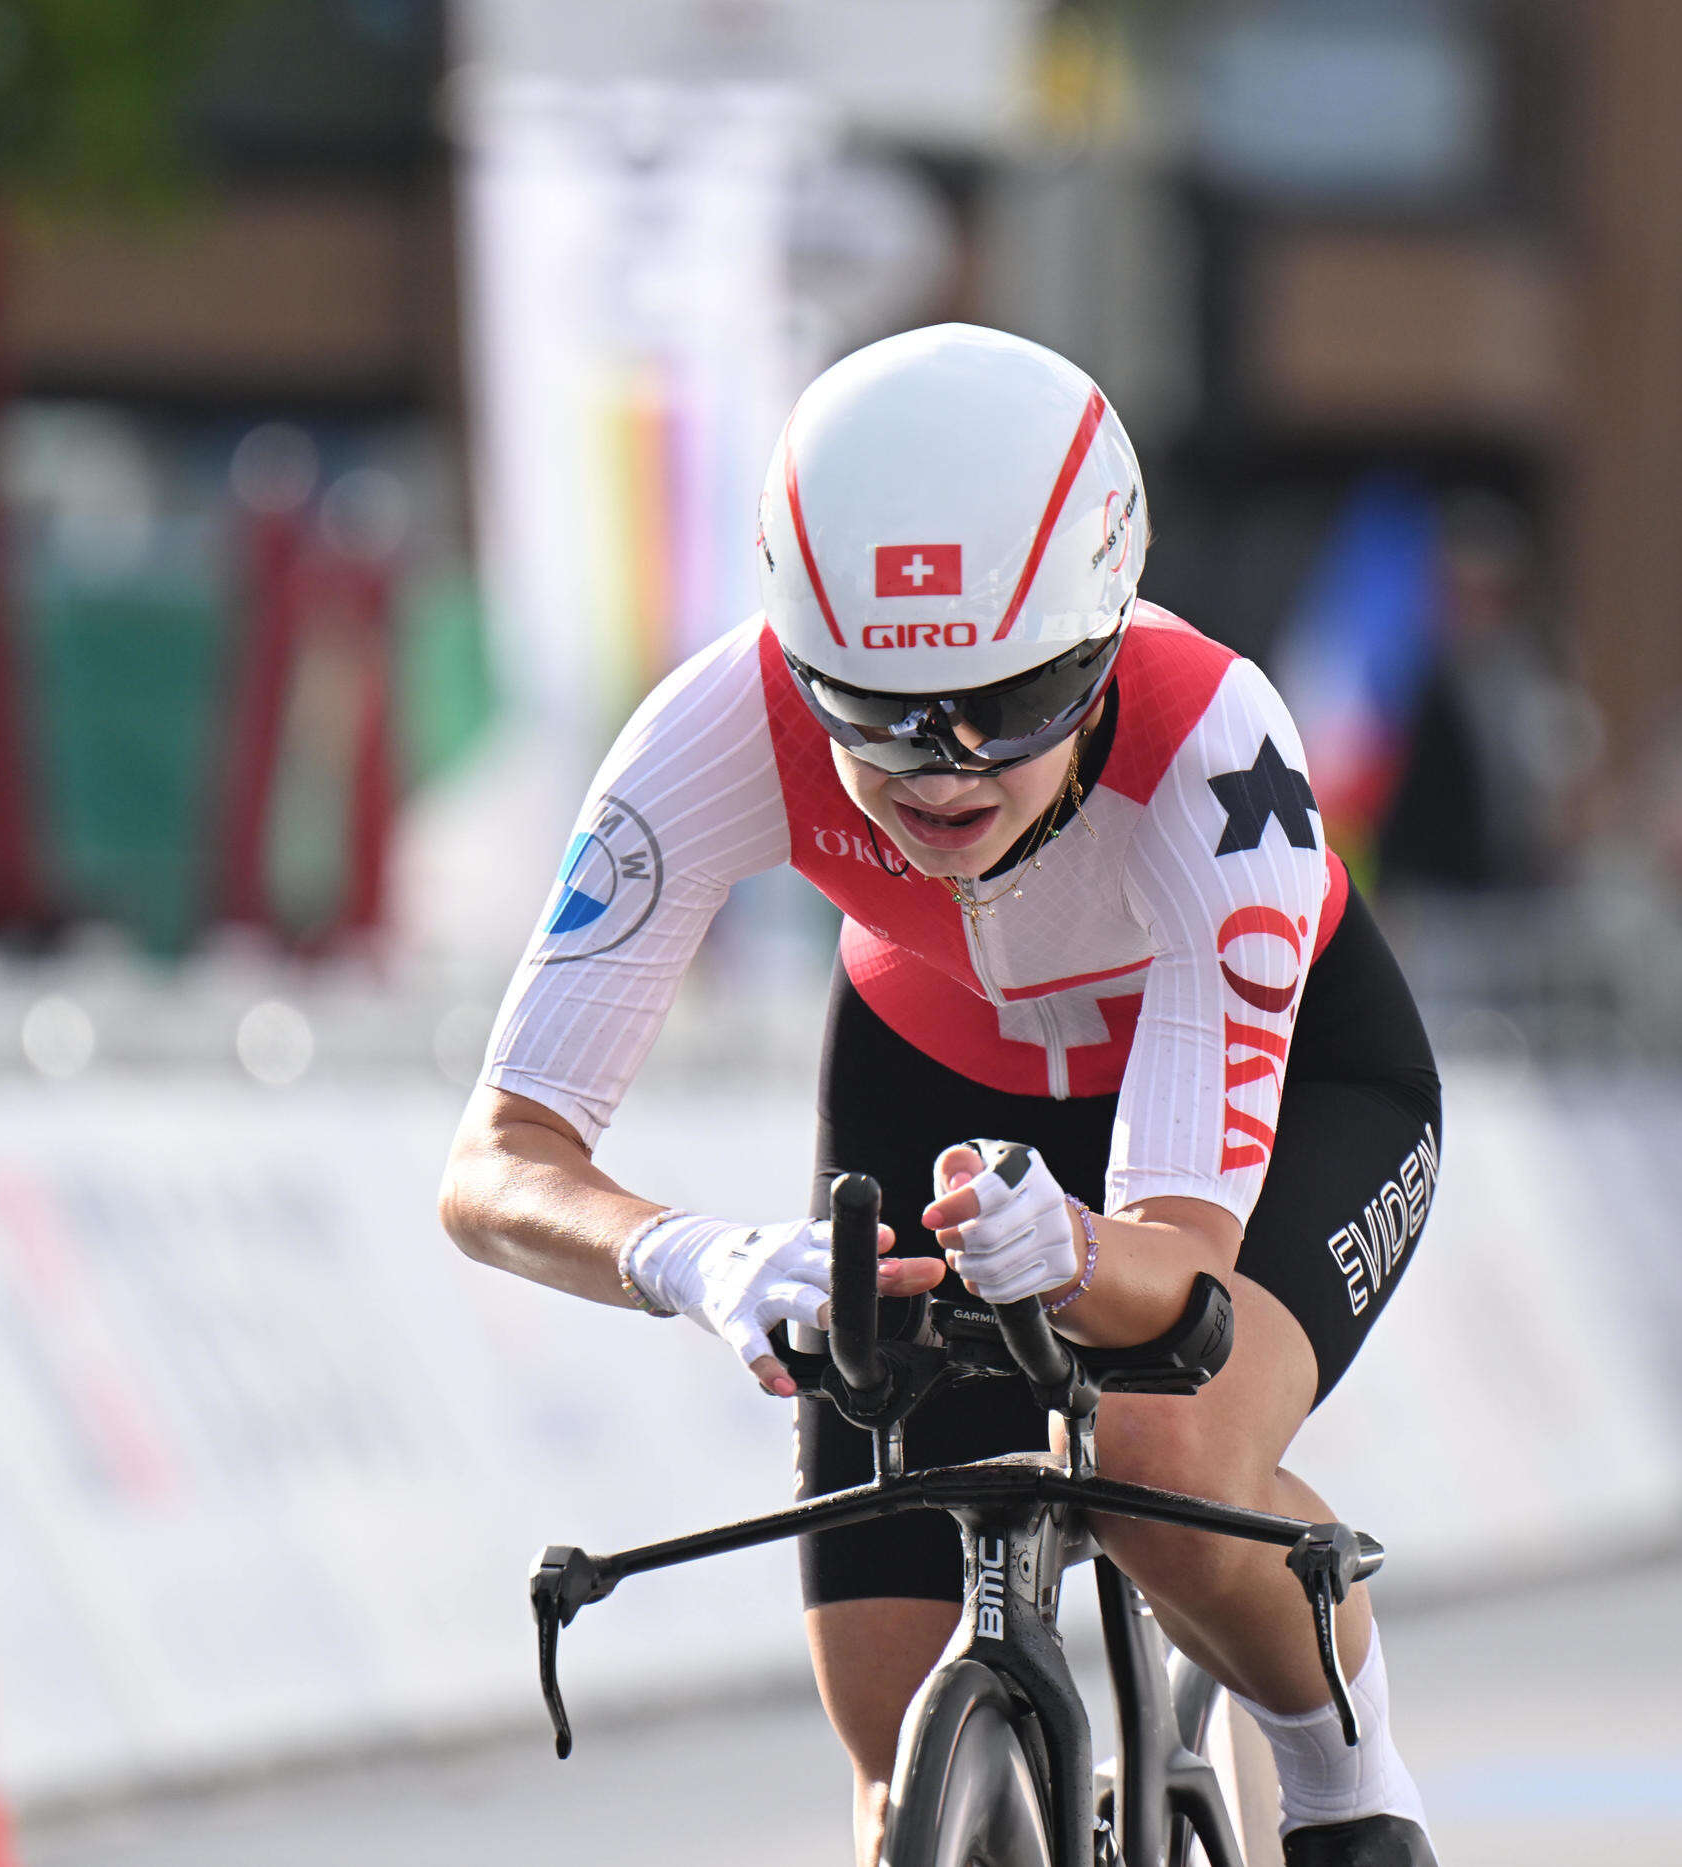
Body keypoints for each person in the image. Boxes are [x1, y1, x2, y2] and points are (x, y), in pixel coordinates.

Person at [438, 324, 1445, 1867]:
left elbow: (1180, 1269)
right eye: (875, 712)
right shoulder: (723, 723)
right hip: (935, 1080)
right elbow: (499, 1163)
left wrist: (1091, 1257)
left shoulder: (1214, 750)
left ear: (1104, 648)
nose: (946, 770)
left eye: (1016, 701)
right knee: (884, 1740)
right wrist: (695, 1260)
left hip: (1292, 1093)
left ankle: (1353, 1793)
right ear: (796, 656)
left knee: (1163, 1473)